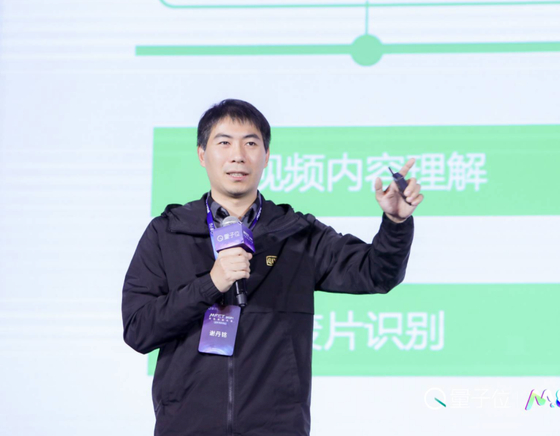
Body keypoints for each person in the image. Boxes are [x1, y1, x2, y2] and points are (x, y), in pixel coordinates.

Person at [122, 99, 423, 435]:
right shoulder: (167, 232)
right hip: (187, 427)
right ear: (202, 154)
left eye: (250, 144)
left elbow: (377, 273)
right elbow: (138, 330)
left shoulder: (296, 233)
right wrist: (211, 283)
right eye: (224, 143)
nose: (238, 155)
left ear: (266, 156)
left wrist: (396, 224)